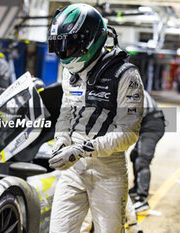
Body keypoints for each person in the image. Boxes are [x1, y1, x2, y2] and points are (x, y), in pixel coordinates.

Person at [47, 3, 144, 232]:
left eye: (69, 45)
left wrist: (82, 149)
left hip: (108, 173)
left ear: (88, 40)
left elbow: (128, 134)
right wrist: (61, 140)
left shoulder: (126, 75)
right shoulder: (69, 72)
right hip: (73, 169)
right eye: (59, 46)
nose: (64, 53)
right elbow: (66, 112)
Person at [129, 90, 165, 212]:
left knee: (142, 159)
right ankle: (136, 188)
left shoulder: (132, 89)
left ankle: (142, 199)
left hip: (152, 124)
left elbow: (130, 119)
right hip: (146, 123)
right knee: (134, 155)